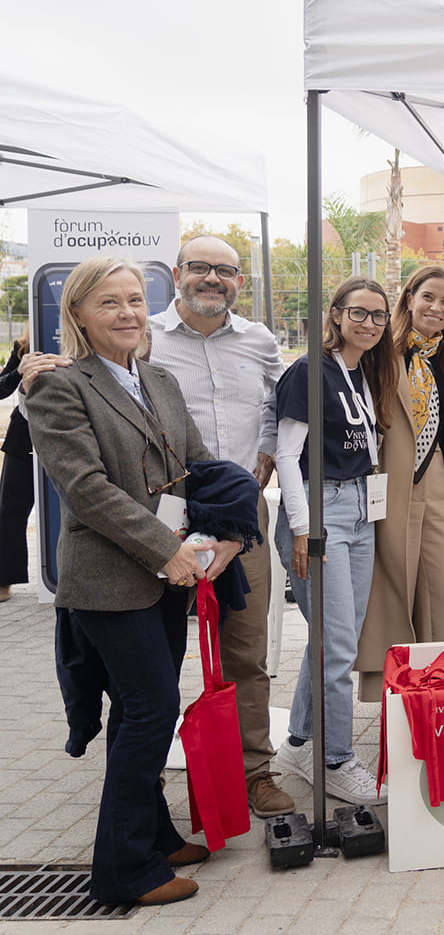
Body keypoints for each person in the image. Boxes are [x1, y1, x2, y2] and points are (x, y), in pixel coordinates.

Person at [28, 256, 239, 906]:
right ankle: (123, 869)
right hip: (109, 580)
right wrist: (163, 548)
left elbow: (197, 466)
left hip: (166, 576)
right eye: (109, 303)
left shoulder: (160, 380)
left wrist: (233, 529)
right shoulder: (61, 386)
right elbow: (85, 489)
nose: (126, 312)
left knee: (141, 709)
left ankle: (154, 832)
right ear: (79, 316)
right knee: (152, 709)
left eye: (132, 300)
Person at [147, 235, 293, 817]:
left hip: (240, 515)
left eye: (226, 271)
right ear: (179, 273)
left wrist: (267, 450)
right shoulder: (146, 337)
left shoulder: (259, 340)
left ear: (240, 282)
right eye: (202, 268)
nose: (213, 279)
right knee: (152, 653)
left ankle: (254, 770)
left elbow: (284, 405)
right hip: (161, 514)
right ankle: (145, 775)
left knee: (245, 649)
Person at [274, 277, 397, 805]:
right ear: (336, 313)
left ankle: (300, 743)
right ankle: (337, 758)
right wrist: (303, 528)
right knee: (339, 647)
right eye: (359, 313)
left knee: (330, 640)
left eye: (378, 316)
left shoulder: (362, 369)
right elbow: (285, 456)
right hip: (320, 509)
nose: (369, 323)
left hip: (359, 510)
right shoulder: (310, 369)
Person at [357, 265, 444, 698]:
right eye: (428, 297)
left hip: (441, 486)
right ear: (409, 298)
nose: (437, 307)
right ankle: (395, 696)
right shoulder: (378, 354)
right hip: (389, 489)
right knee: (393, 592)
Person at [0, 331, 33, 602]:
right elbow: (1, 388)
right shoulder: (23, 346)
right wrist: (19, 372)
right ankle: (5, 580)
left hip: (72, 434)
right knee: (10, 510)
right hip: (23, 438)